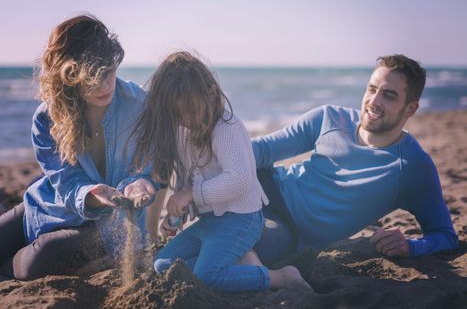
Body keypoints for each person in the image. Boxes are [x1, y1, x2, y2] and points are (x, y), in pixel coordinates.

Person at [251, 54, 459, 265]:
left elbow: (445, 236)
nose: (374, 101)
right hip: (265, 184)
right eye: (372, 89)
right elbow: (262, 149)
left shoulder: (412, 167)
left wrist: (410, 246)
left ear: (410, 109)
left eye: (388, 95)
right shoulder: (329, 118)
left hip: (287, 229)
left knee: (241, 242)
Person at [132, 51, 310, 292]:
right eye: (179, 114)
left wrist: (192, 194)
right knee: (163, 264)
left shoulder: (226, 126)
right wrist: (177, 213)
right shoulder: (181, 131)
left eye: (193, 111)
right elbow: (187, 181)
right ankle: (234, 265)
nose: (189, 119)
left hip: (241, 219)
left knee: (207, 278)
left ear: (210, 94)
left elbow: (239, 180)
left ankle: (279, 277)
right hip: (209, 222)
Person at [0, 15, 158, 280]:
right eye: (93, 77)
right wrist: (92, 194)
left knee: (35, 262)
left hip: (104, 227)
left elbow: (145, 171)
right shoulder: (46, 117)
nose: (105, 85)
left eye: (109, 72)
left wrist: (140, 185)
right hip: (45, 205)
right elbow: (66, 182)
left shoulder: (139, 106)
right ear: (68, 76)